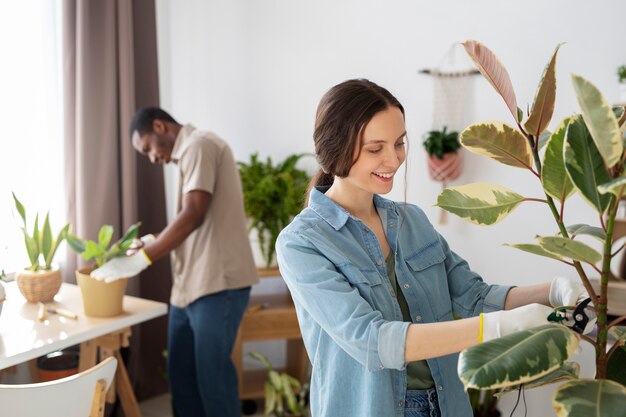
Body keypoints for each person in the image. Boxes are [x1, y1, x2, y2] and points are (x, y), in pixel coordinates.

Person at [275, 79, 589, 417]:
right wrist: (497, 328)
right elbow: (372, 341)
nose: (393, 159)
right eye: (375, 148)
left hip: (447, 404)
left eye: (399, 143)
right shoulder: (302, 243)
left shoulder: (412, 222)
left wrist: (554, 292)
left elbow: (474, 295)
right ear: (335, 147)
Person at [91, 107, 259, 417]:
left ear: (160, 126)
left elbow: (194, 212)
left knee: (213, 381)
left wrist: (144, 257)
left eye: (148, 149)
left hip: (217, 285)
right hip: (189, 288)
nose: (152, 159)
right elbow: (195, 220)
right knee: (181, 378)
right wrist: (152, 242)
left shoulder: (199, 144)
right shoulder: (188, 156)